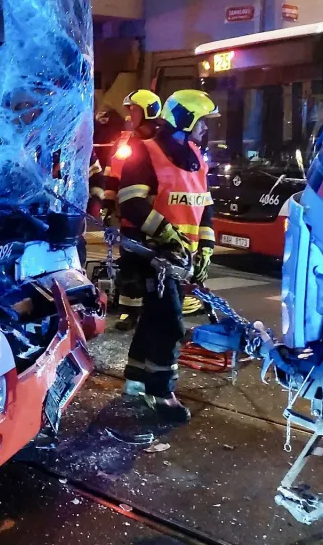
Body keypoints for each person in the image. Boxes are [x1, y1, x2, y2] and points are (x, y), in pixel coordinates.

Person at [115, 89, 218, 424]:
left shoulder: (196, 157)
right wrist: (168, 236)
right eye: (202, 122)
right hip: (149, 254)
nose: (205, 130)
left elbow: (205, 209)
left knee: (155, 317)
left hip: (177, 257)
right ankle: (161, 391)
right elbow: (131, 202)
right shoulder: (144, 152)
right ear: (186, 120)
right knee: (171, 321)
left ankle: (136, 378)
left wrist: (205, 248)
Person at [102, 89, 163, 331]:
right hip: (129, 216)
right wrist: (108, 205)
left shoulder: (160, 144)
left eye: (133, 109)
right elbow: (112, 175)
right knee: (129, 264)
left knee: (154, 266)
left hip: (155, 216)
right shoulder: (125, 143)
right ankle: (129, 311)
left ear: (148, 111)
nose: (129, 115)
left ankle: (153, 311)